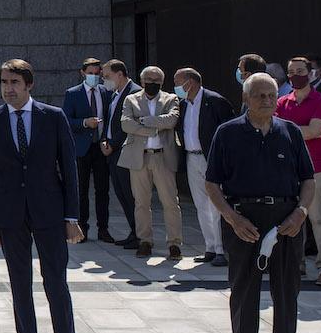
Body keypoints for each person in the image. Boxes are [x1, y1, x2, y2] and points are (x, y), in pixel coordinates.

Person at [205, 72, 314, 333]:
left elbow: (308, 180)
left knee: (287, 294)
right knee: (244, 293)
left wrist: (300, 213)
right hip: (244, 221)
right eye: (259, 95)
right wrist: (231, 218)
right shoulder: (227, 133)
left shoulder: (290, 133)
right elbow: (212, 183)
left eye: (270, 95)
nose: (267, 101)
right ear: (245, 99)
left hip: (286, 221)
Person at [0, 59, 84, 333]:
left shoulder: (52, 117)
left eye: (14, 83)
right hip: (10, 216)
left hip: (49, 214)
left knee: (56, 284)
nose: (8, 89)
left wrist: (71, 217)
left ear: (28, 85)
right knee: (20, 285)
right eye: (4, 83)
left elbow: (69, 169)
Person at [275, 57, 321, 286]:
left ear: (310, 74)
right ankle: (295, 263)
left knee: (319, 217)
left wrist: (293, 130)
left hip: (318, 168)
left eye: (300, 71)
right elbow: (276, 129)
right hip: (289, 169)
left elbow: (316, 129)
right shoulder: (282, 102)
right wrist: (307, 131)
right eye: (291, 72)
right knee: (292, 218)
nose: (295, 75)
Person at [174, 68, 236, 266]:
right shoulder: (184, 105)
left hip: (211, 160)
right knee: (201, 205)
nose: (176, 88)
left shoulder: (215, 101)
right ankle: (210, 247)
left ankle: (221, 249)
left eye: (178, 83)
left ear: (190, 83)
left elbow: (227, 132)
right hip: (192, 158)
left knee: (216, 204)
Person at [119, 66, 182, 259]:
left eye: (156, 81)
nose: (152, 84)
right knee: (141, 203)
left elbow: (171, 120)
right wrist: (153, 128)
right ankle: (144, 241)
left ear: (162, 83)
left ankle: (174, 243)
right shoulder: (131, 99)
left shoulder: (170, 99)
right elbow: (126, 124)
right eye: (149, 80)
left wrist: (145, 122)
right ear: (142, 80)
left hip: (163, 156)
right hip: (139, 156)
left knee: (170, 202)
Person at [62, 58, 113, 243]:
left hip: (100, 146)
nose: (94, 76)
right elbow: (66, 119)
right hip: (82, 148)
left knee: (103, 190)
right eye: (90, 73)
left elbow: (109, 117)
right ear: (83, 73)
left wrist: (106, 139)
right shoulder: (73, 94)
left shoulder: (106, 92)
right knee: (81, 190)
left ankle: (104, 228)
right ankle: (82, 227)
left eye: (96, 73)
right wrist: (84, 123)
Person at [99, 59, 140, 249]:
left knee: (131, 195)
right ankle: (134, 231)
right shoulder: (115, 94)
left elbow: (128, 126)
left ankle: (139, 233)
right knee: (121, 194)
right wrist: (104, 141)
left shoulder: (133, 93)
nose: (105, 81)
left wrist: (113, 144)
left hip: (125, 151)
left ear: (120, 74)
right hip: (112, 152)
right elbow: (109, 122)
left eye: (107, 77)